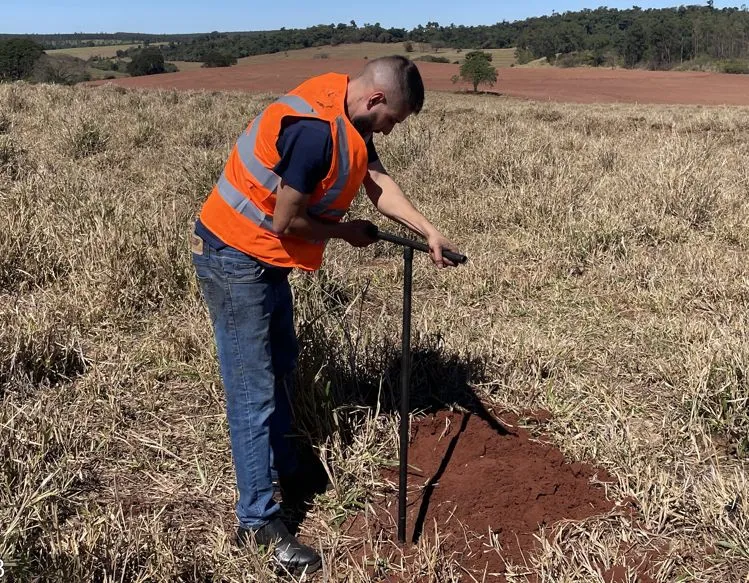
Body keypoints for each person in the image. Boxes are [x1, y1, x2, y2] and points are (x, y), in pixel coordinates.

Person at [190, 55, 460, 575]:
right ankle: (257, 523)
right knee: (252, 389)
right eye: (392, 119)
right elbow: (286, 221)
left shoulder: (348, 108)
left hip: (265, 258)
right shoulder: (314, 132)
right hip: (232, 255)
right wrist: (346, 233)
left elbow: (376, 180)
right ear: (375, 98)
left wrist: (427, 230)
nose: (390, 130)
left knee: (282, 363)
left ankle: (287, 467)